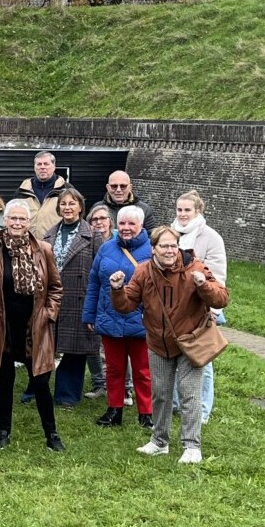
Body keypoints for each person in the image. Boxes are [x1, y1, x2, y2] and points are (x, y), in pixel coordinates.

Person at [112, 225, 229, 464]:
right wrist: (117, 290)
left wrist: (203, 285)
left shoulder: (195, 268)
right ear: (153, 249)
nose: (170, 251)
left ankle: (192, 446)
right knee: (161, 394)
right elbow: (127, 305)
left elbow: (222, 298)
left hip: (190, 342)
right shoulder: (144, 271)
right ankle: (159, 441)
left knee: (189, 395)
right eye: (164, 246)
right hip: (158, 343)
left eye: (173, 246)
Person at [0, 199, 66, 451]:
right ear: (5, 220)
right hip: (4, 326)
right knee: (5, 381)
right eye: (13, 218)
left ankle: (52, 435)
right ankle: (3, 432)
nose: (17, 223)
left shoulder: (43, 250)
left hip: (35, 327)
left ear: (29, 222)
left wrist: (49, 314)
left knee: (40, 383)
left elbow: (56, 288)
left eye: (22, 219)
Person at [82, 205, 153, 429]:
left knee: (143, 370)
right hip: (109, 316)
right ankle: (114, 409)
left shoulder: (152, 250)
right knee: (114, 369)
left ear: (141, 225)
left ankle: (146, 413)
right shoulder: (106, 248)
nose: (126, 228)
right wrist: (89, 314)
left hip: (140, 319)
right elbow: (94, 282)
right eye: (122, 223)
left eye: (131, 223)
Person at [43, 188, 103, 406]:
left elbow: (100, 271)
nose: (67, 208)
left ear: (80, 206)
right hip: (52, 297)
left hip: (79, 298)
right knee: (44, 345)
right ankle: (37, 389)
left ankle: (66, 395)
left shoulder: (93, 235)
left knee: (75, 348)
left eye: (72, 203)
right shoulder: (48, 234)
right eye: (63, 204)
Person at [172, 190, 228, 424]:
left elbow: (218, 275)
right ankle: (177, 403)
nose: (183, 214)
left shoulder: (211, 237)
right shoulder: (171, 233)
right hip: (175, 307)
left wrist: (213, 311)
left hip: (201, 307)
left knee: (202, 358)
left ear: (198, 211)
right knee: (175, 356)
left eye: (187, 210)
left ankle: (203, 409)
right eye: (179, 209)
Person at [82, 202, 113, 398]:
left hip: (113, 297)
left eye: (103, 218)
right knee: (91, 342)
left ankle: (122, 387)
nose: (99, 222)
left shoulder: (119, 240)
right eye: (94, 219)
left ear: (110, 221)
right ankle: (99, 383)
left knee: (112, 345)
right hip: (92, 295)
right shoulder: (87, 241)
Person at [16, 150, 70, 238]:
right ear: (34, 167)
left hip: (56, 242)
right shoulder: (22, 190)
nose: (42, 167)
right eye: (39, 164)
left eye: (46, 164)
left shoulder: (66, 189)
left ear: (54, 166)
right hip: (27, 242)